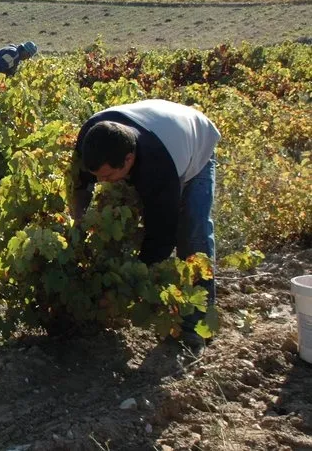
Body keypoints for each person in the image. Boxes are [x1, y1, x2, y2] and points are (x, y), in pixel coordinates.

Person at [70, 99, 221, 348]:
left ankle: (196, 324)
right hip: (158, 125)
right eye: (98, 175)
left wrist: (133, 285)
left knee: (192, 233)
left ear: (128, 159)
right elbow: (80, 185)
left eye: (107, 176)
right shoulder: (91, 138)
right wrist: (79, 226)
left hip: (195, 142)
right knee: (116, 216)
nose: (102, 181)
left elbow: (161, 237)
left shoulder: (159, 169)